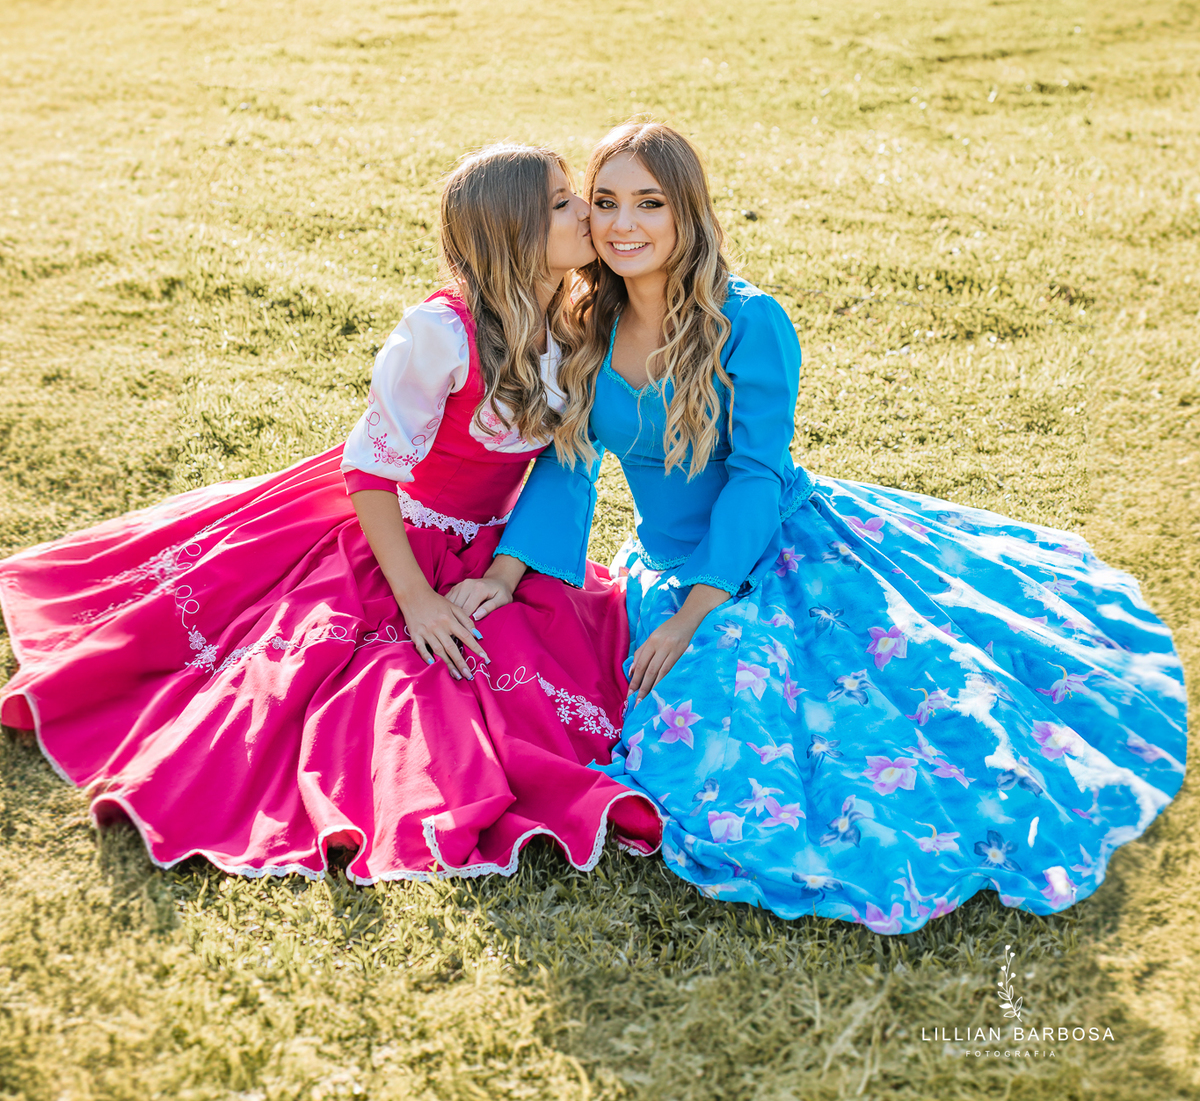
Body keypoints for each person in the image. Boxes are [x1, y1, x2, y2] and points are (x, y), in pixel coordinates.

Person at [491, 122, 1187, 930]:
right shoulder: (587, 322)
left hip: (772, 552)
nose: (622, 225)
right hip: (666, 562)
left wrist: (694, 612)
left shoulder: (748, 322)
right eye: (605, 202)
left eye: (650, 203)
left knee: (751, 734)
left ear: (688, 212)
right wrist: (507, 572)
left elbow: (755, 475)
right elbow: (570, 459)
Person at [0, 144, 660, 882]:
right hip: (393, 526)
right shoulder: (440, 336)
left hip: (495, 542)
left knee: (550, 655)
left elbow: (565, 462)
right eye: (562, 202)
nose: (585, 213)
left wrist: (507, 573)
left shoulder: (576, 322)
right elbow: (370, 471)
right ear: (512, 231)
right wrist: (414, 597)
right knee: (357, 680)